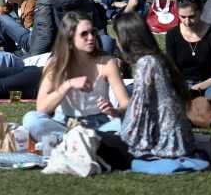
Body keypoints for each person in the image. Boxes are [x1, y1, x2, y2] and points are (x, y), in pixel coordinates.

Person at [22, 12, 132, 167]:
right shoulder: (55, 63)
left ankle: (72, 144)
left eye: (93, 32)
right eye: (84, 34)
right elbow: (42, 108)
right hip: (64, 123)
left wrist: (115, 112)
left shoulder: (107, 62)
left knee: (129, 125)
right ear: (70, 38)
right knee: (31, 119)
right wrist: (68, 85)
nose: (91, 37)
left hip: (99, 125)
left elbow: (125, 103)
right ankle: (81, 144)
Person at [112, 11, 195, 159]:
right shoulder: (156, 58)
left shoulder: (146, 63)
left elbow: (139, 110)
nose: (116, 42)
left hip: (168, 144)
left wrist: (120, 131)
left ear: (126, 38)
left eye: (117, 36)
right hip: (179, 139)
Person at [165, 0, 211, 99]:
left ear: (200, 11)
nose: (187, 22)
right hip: (181, 85)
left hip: (207, 85)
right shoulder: (172, 34)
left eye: (192, 16)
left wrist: (195, 90)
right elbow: (171, 69)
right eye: (182, 17)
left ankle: (197, 104)